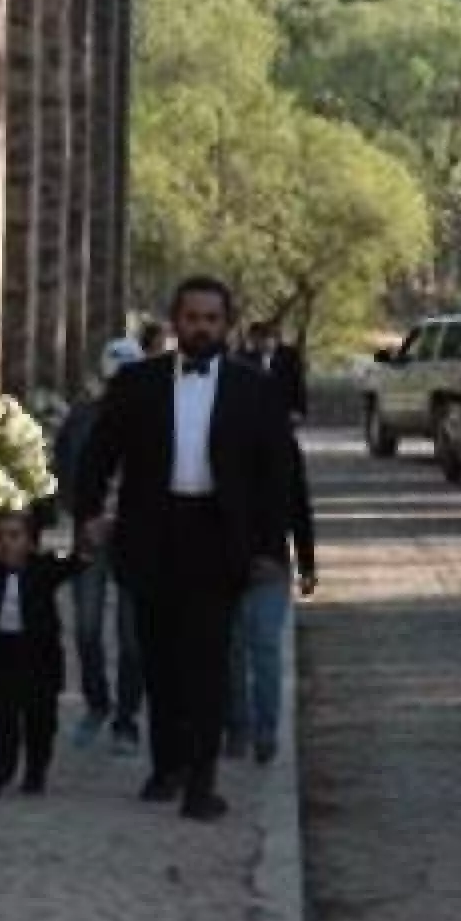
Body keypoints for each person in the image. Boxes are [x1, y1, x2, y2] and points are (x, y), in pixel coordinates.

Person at [75, 274, 296, 823]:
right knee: (158, 658)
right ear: (176, 323)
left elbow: (276, 473)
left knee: (209, 661)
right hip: (151, 532)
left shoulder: (254, 389)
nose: (201, 327)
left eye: (212, 318)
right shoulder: (137, 384)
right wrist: (87, 513)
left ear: (227, 325)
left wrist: (272, 546)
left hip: (218, 537)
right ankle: (166, 765)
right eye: (192, 317)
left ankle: (203, 780)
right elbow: (98, 454)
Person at [54, 336, 145, 752]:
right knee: (87, 626)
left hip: (135, 538)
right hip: (89, 534)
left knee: (132, 635)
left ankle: (127, 718)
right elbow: (62, 467)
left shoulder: (155, 420)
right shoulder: (83, 417)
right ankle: (97, 702)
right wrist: (78, 511)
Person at [0, 512, 84, 797]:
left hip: (39, 651)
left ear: (30, 542)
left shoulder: (44, 569)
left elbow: (73, 565)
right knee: (4, 716)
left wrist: (88, 547)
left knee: (41, 717)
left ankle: (36, 770)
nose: (7, 544)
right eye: (0, 537)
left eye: (15, 536)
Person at [226, 429, 317, 764]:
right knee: (238, 649)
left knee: (260, 648)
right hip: (230, 562)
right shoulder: (218, 428)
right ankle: (239, 727)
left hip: (267, 562)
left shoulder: (281, 441)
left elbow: (298, 502)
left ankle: (261, 732)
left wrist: (306, 562)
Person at [237, 316, 309, 423]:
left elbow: (298, 383)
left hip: (283, 411)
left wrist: (299, 409)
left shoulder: (289, 357)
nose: (264, 343)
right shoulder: (244, 358)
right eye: (256, 339)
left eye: (269, 338)